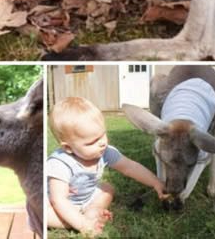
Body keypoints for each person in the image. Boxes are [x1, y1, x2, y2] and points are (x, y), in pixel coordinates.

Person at [47, 96, 168, 237]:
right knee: (47, 213)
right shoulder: (60, 163)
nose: (102, 143)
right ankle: (81, 220)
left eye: (103, 135)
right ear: (68, 148)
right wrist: (82, 224)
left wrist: (155, 182)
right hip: (58, 204)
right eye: (92, 141)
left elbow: (129, 167)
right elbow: (59, 200)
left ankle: (93, 210)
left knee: (107, 189)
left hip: (88, 197)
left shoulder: (105, 151)